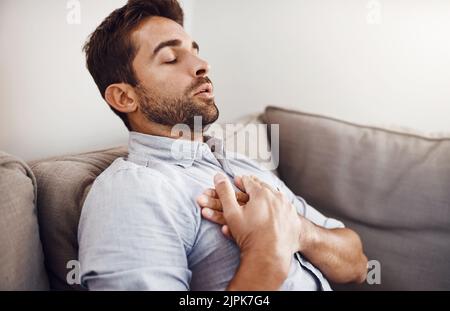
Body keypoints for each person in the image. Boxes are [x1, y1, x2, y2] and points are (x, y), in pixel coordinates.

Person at [78, 0, 367, 290]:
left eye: (195, 52)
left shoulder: (243, 166)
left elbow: (358, 265)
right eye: (170, 58)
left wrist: (298, 230)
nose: (203, 65)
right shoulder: (133, 190)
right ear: (124, 98)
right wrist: (265, 253)